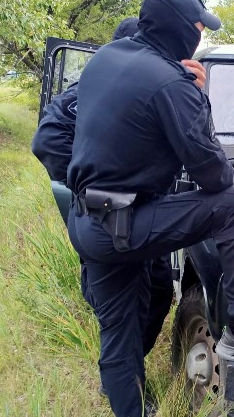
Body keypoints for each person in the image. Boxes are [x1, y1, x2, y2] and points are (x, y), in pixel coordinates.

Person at [66, 0, 234, 417]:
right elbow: (214, 175)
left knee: (117, 333)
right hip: (131, 221)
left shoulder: (107, 59)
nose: (200, 33)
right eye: (197, 26)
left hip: (90, 222)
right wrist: (198, 94)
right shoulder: (172, 83)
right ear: (178, 29)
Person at [32, 18, 207, 364]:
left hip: (147, 212)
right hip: (108, 213)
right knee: (120, 301)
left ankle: (131, 369)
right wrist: (92, 181)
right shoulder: (98, 88)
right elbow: (48, 139)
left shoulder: (158, 89)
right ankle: (123, 381)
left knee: (157, 288)